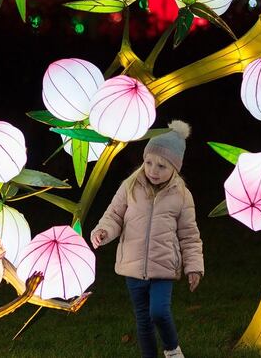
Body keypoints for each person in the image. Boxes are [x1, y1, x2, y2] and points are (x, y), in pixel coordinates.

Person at [91, 120, 204, 358]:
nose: (153, 170)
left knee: (159, 312)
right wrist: (104, 231)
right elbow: (113, 216)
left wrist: (194, 267)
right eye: (149, 162)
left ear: (175, 167)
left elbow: (190, 236)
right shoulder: (130, 186)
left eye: (162, 166)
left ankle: (172, 350)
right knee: (143, 319)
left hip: (164, 267)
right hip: (133, 267)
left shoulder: (182, 196)